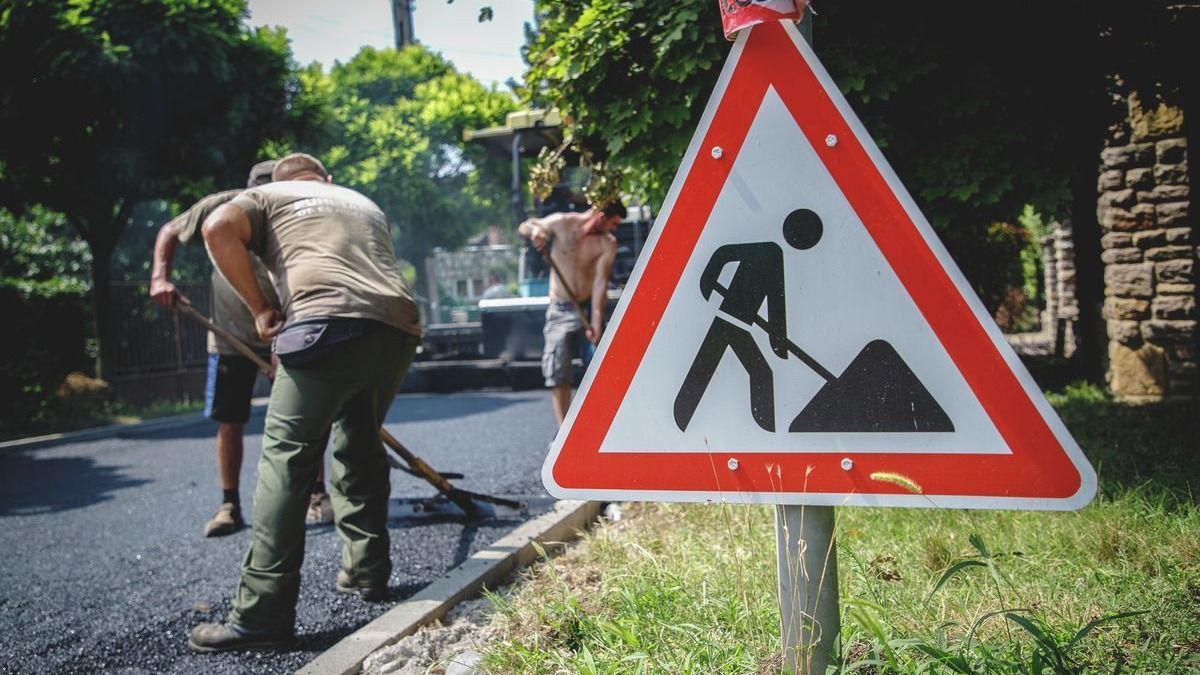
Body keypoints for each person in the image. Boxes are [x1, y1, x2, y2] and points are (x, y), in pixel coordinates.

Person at [188, 153, 422, 653]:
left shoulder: (267, 196)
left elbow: (215, 228)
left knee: (287, 459)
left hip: (325, 323)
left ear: (277, 182)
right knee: (359, 442)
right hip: (397, 327)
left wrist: (262, 309)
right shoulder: (361, 201)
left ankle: (261, 615)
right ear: (326, 179)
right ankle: (367, 571)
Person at [150, 161, 334, 537]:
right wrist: (160, 278)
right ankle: (229, 504)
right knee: (230, 419)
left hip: (288, 327)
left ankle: (316, 494)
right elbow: (170, 230)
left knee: (306, 415)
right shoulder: (222, 207)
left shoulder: (296, 213)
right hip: (232, 334)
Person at [517, 203, 625, 426]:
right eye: (613, 224)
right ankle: (563, 430)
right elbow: (525, 226)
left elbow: (599, 284)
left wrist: (596, 323)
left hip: (586, 307)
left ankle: (598, 427)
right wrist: (535, 232)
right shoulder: (562, 223)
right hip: (560, 308)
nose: (613, 230)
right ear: (602, 216)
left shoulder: (607, 244)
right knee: (558, 370)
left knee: (599, 368)